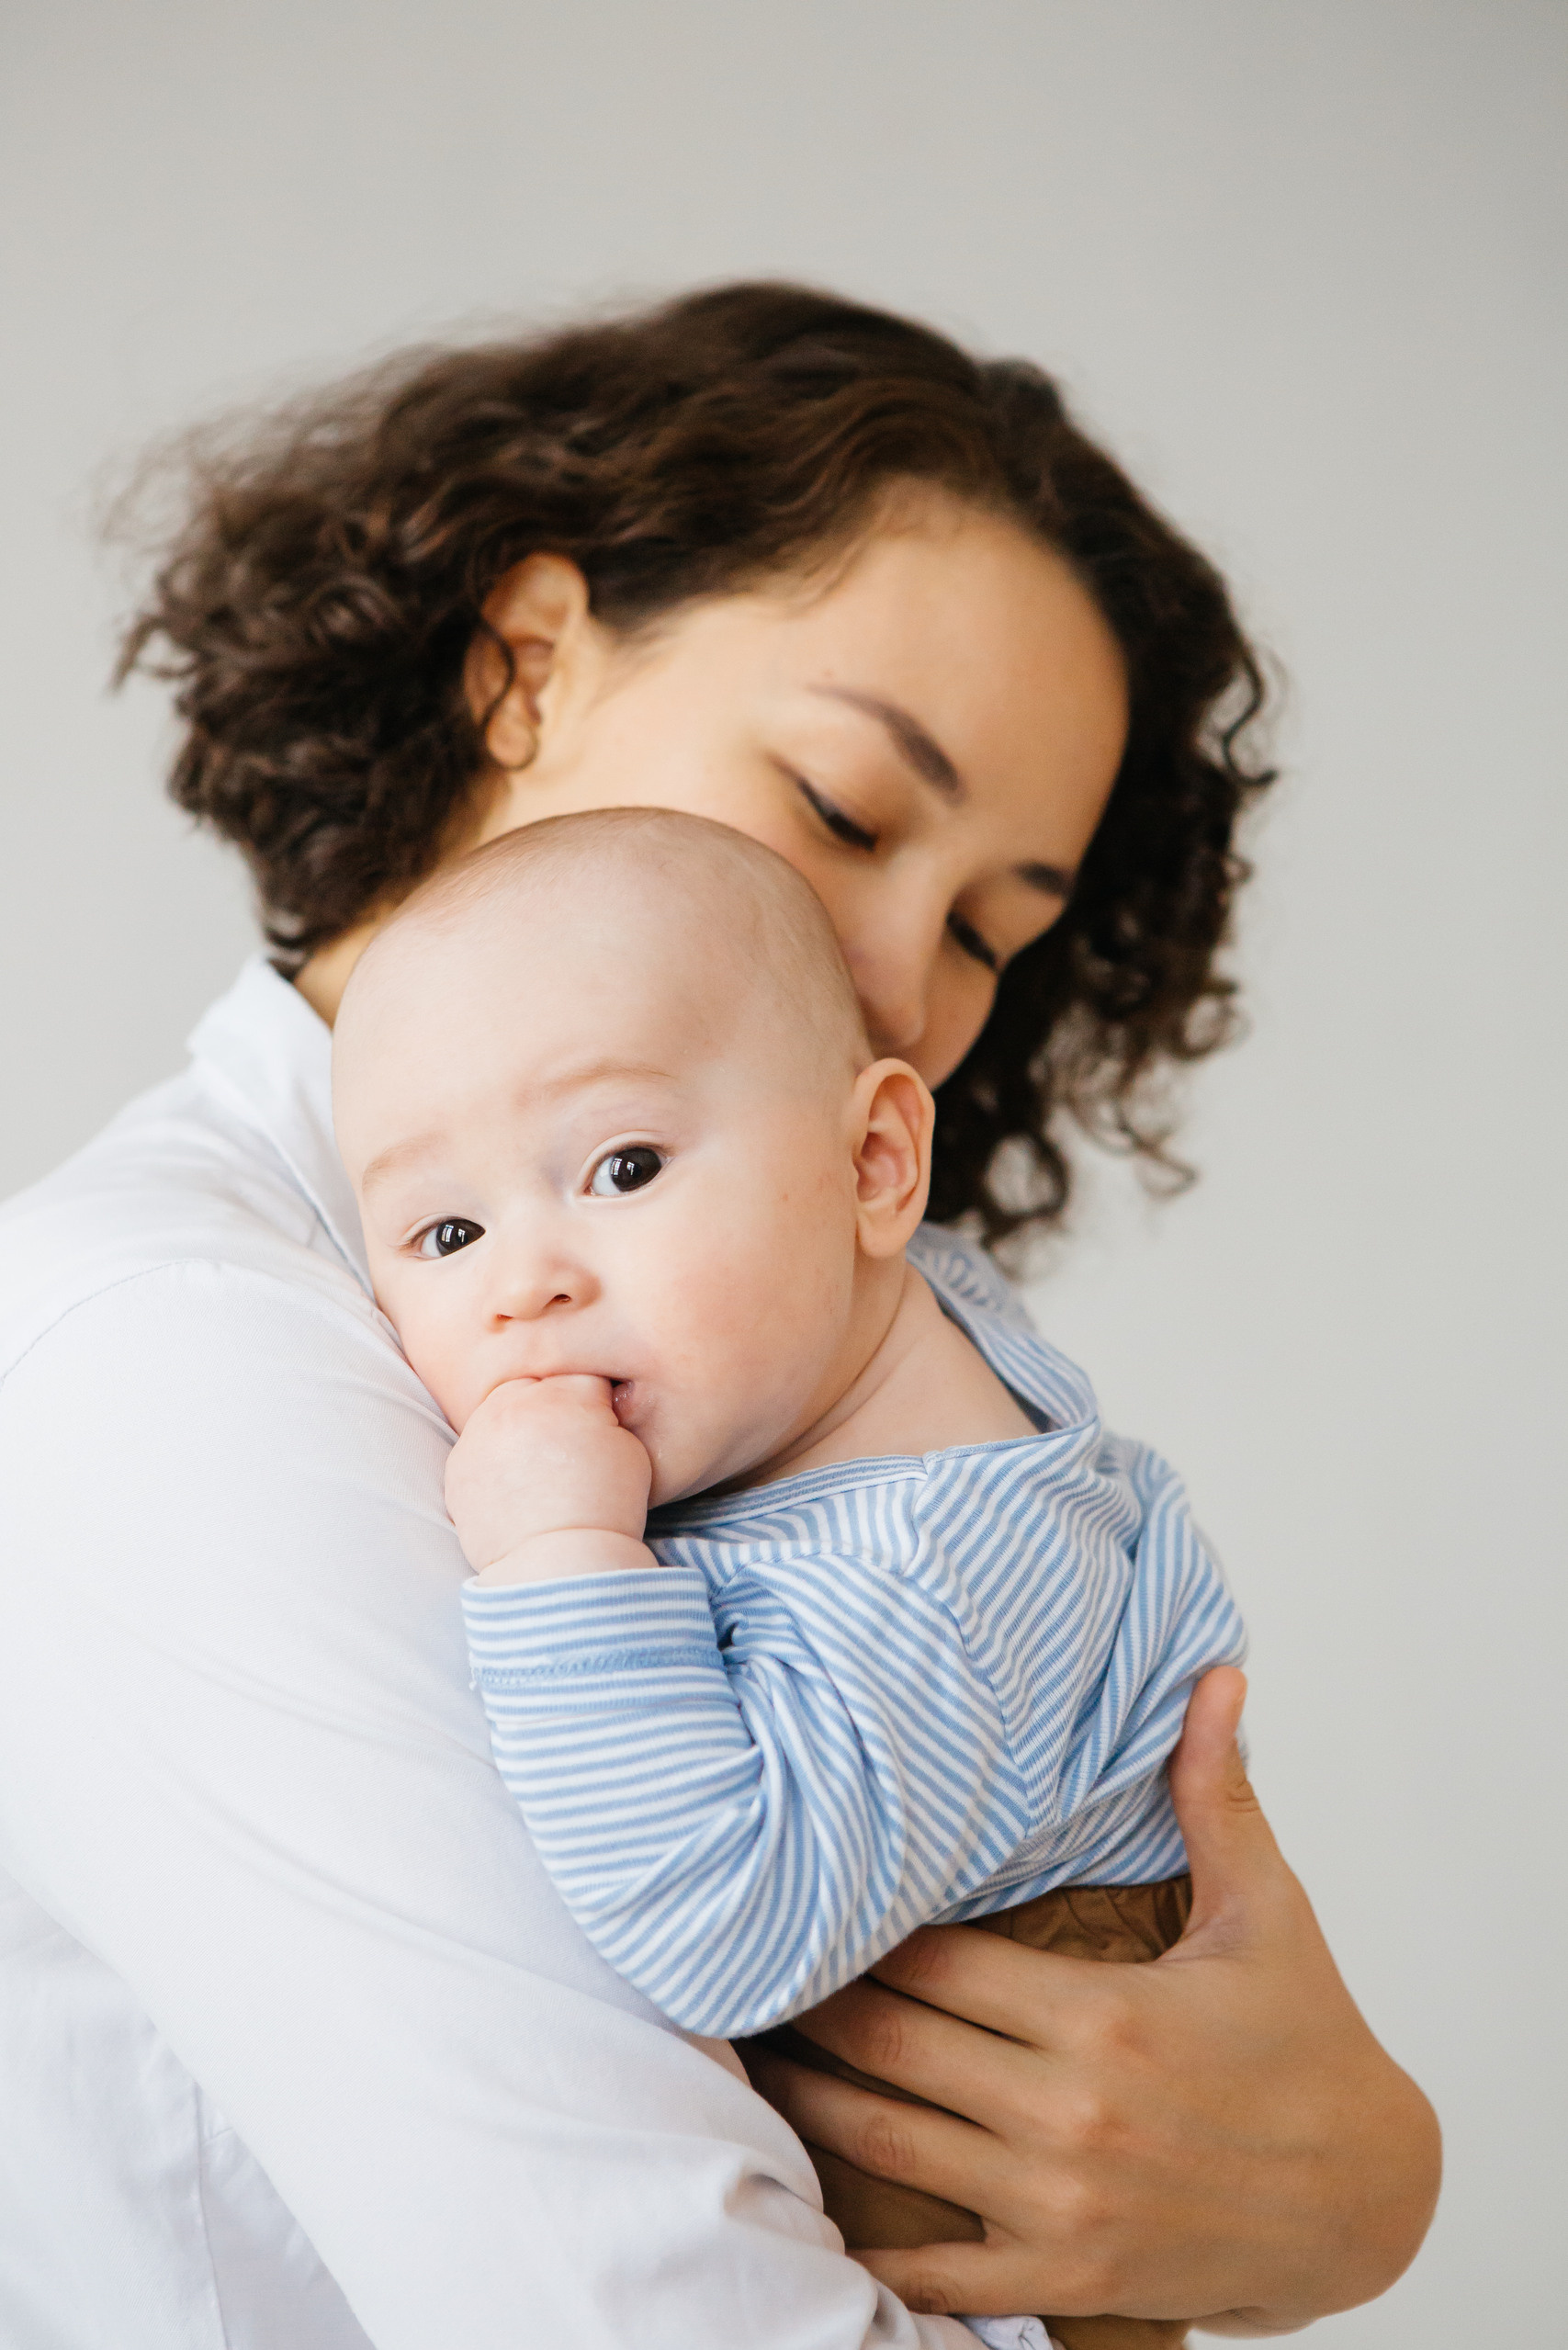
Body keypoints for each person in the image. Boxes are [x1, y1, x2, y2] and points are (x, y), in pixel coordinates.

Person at [0, 284, 1438, 2349]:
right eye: (847, 810)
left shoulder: (828, 1367)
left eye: (983, 932)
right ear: (523, 667)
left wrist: (1354, 2182)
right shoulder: (166, 1355)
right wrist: (1339, 2208)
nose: (897, 984)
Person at [334, 804, 1252, 2350]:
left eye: (622, 1164)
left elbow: (720, 1928)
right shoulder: (880, 1341)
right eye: (444, 1227)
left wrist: (564, 1556)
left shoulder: (925, 1574)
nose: (525, 1281)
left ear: (876, 1161)